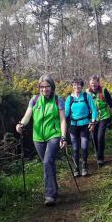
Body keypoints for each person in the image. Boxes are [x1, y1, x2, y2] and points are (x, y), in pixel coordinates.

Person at [16, 74, 67, 206]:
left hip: (54, 135)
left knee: (47, 162)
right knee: (48, 163)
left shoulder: (58, 100)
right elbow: (27, 115)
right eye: (42, 87)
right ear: (39, 87)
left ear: (52, 87)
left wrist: (63, 136)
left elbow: (62, 120)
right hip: (37, 138)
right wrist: (21, 124)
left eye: (47, 86)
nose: (44, 89)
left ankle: (49, 195)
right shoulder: (34, 99)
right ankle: (54, 189)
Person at [65, 78, 98, 177]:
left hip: (85, 125)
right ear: (72, 86)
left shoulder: (86, 96)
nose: (76, 87)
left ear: (82, 86)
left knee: (84, 147)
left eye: (79, 85)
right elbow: (66, 113)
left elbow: (94, 110)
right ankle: (76, 168)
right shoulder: (69, 99)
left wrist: (92, 122)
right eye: (75, 85)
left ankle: (84, 166)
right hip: (73, 126)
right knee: (75, 148)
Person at [87, 75, 112, 166]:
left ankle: (100, 157)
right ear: (89, 84)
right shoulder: (87, 93)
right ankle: (98, 153)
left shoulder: (103, 90)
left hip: (104, 116)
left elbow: (111, 104)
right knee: (94, 138)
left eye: (95, 83)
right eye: (91, 83)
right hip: (93, 118)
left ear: (98, 83)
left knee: (100, 136)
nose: (93, 85)